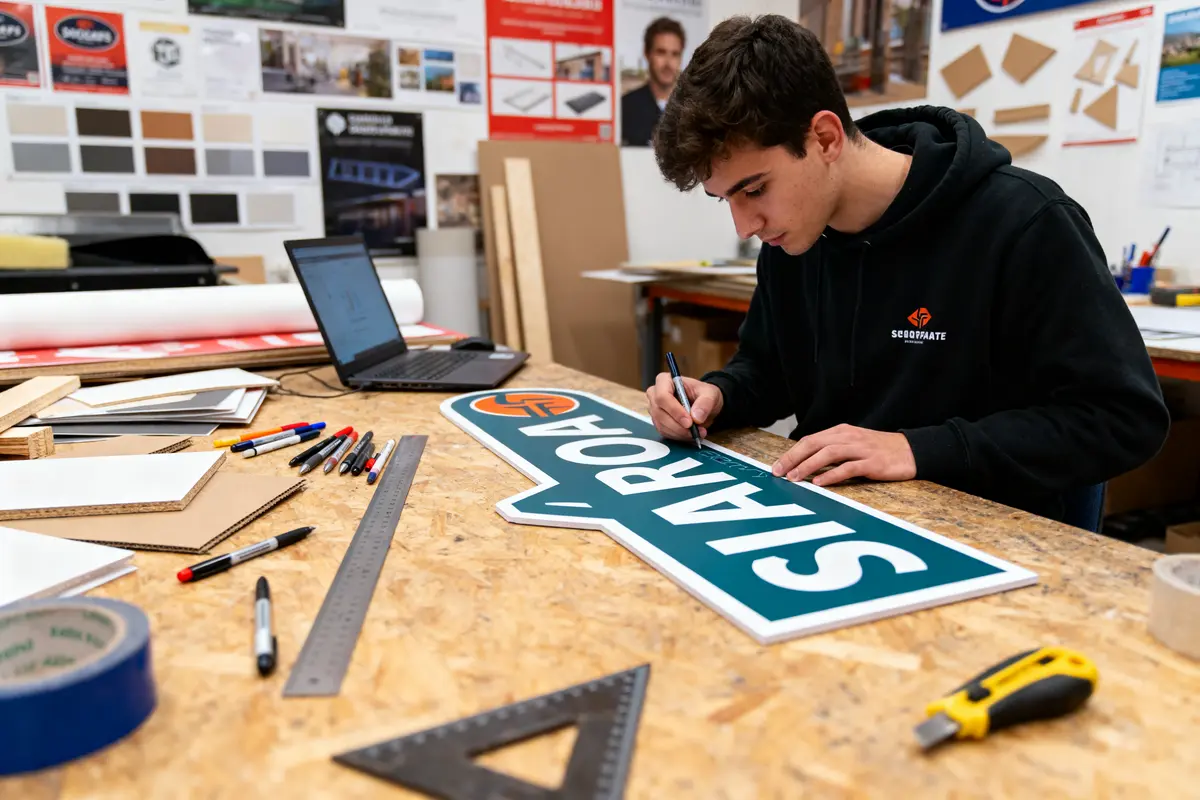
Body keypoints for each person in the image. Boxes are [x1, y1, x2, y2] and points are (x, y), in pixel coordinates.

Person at [646, 15, 1169, 523]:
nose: (744, 225)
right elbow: (770, 370)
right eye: (725, 200)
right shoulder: (791, 241)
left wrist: (918, 449)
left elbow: (1122, 418)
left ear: (825, 138)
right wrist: (718, 395)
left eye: (755, 189)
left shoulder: (1024, 223)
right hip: (834, 517)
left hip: (986, 538)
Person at [620, 17, 684, 147]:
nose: (668, 63)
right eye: (661, 52)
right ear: (647, 53)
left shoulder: (694, 111)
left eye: (675, 54)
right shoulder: (625, 108)